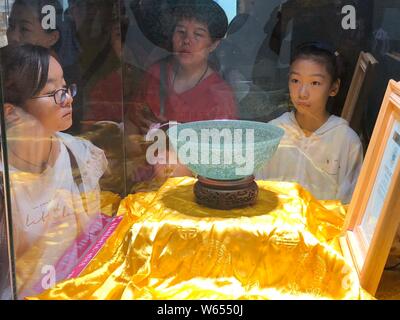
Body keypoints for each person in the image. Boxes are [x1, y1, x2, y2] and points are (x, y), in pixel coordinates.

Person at [0, 44, 108, 298]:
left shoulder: (79, 154)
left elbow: (92, 238)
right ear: (11, 113)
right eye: (53, 92)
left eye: (66, 87)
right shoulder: (6, 180)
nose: (68, 98)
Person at [255, 42, 363, 204]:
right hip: (276, 227)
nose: (302, 93)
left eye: (315, 83)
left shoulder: (345, 140)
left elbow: (350, 204)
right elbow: (256, 191)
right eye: (296, 80)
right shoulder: (273, 132)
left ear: (334, 88)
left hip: (324, 227)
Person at [129, 0, 237, 134]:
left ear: (214, 44)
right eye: (181, 31)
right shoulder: (155, 73)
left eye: (198, 34)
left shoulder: (220, 97)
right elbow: (131, 123)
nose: (186, 40)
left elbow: (221, 149)